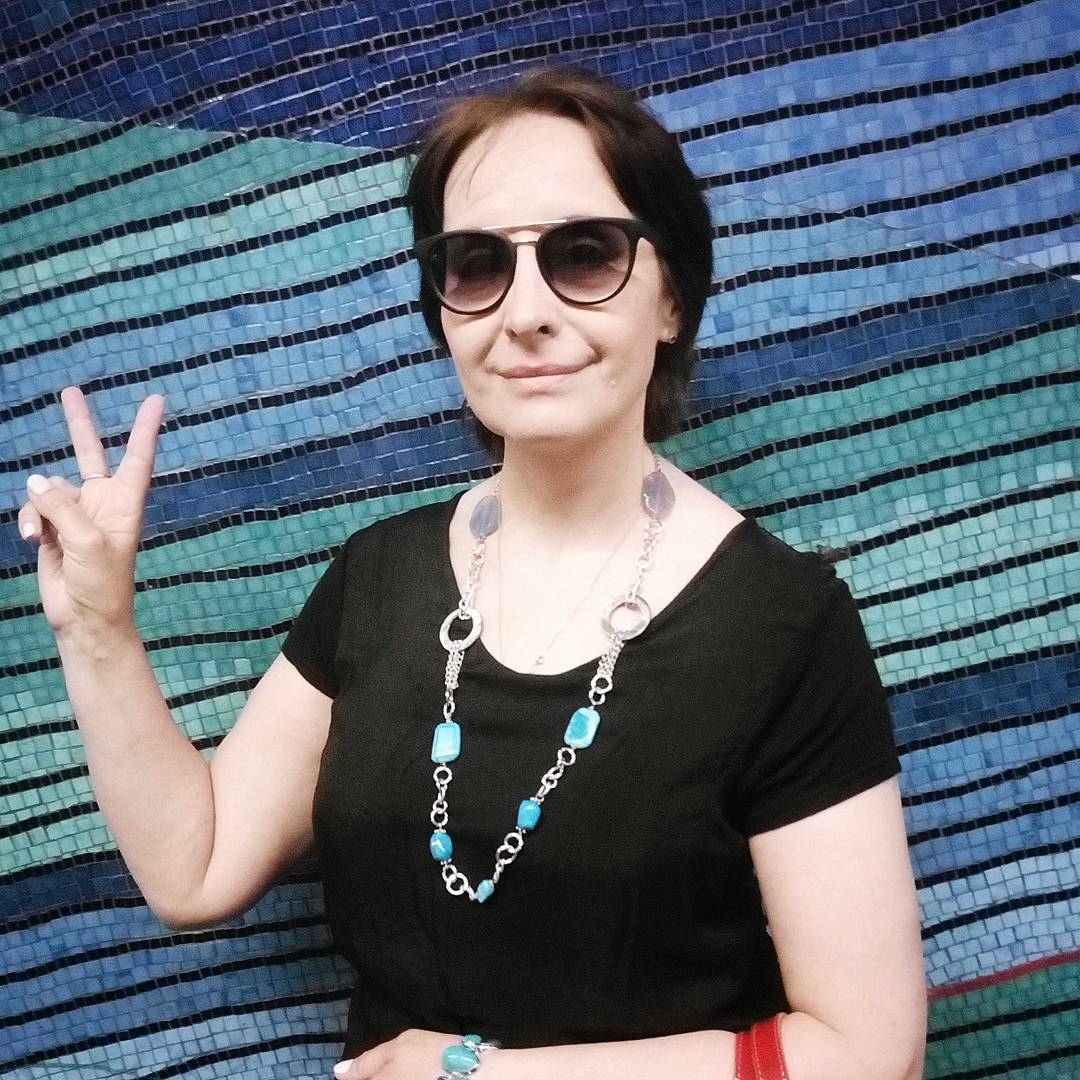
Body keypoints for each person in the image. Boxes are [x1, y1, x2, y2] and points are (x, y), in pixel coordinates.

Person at [18, 67, 926, 1080]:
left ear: (672, 296)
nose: (525, 311)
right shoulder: (379, 576)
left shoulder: (783, 626)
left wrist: (480, 1076)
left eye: (585, 253)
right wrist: (95, 627)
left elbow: (868, 1051)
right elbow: (195, 868)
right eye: (477, 264)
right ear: (443, 310)